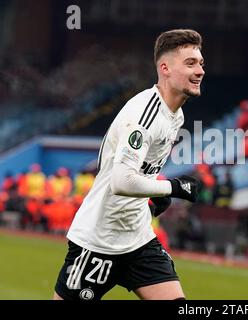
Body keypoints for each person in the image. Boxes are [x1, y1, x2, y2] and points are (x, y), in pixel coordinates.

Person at [53, 29, 204, 301]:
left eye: (201, 63)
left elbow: (141, 170)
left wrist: (155, 192)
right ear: (165, 68)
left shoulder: (175, 114)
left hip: (138, 239)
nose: (200, 70)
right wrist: (172, 188)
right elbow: (121, 182)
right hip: (98, 241)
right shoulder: (145, 114)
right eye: (190, 63)